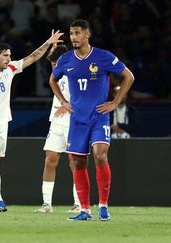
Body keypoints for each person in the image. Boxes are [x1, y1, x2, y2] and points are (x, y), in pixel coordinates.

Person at [0, 30, 64, 212]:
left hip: (3, 123)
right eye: (5, 56)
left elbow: (33, 57)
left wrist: (49, 42)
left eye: (10, 56)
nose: (9, 59)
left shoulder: (10, 69)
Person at [49, 19, 135, 221]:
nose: (73, 37)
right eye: (71, 34)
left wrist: (114, 102)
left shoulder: (103, 57)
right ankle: (85, 210)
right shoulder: (65, 60)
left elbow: (128, 76)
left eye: (77, 33)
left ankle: (103, 205)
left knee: (100, 155)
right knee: (78, 163)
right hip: (78, 119)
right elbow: (53, 79)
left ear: (87, 34)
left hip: (98, 117)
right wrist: (63, 101)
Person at [35, 44, 81, 214]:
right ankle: (47, 204)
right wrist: (52, 47)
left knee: (74, 162)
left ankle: (79, 203)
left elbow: (86, 94)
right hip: (56, 121)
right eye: (53, 63)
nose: (54, 66)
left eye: (56, 62)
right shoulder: (57, 72)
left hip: (74, 120)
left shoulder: (77, 72)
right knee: (50, 160)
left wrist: (68, 104)